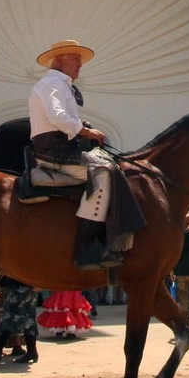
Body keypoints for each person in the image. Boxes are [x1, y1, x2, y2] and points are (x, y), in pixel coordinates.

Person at [28, 39, 122, 268]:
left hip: (62, 147)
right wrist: (85, 130)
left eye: (80, 59)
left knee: (112, 164)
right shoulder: (52, 83)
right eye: (75, 58)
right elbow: (58, 117)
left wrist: (81, 128)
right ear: (59, 59)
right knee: (104, 173)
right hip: (53, 150)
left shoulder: (60, 85)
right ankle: (86, 248)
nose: (80, 63)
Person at [0, 276, 39, 365]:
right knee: (28, 318)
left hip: (22, 282)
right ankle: (32, 351)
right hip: (27, 282)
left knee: (9, 317)